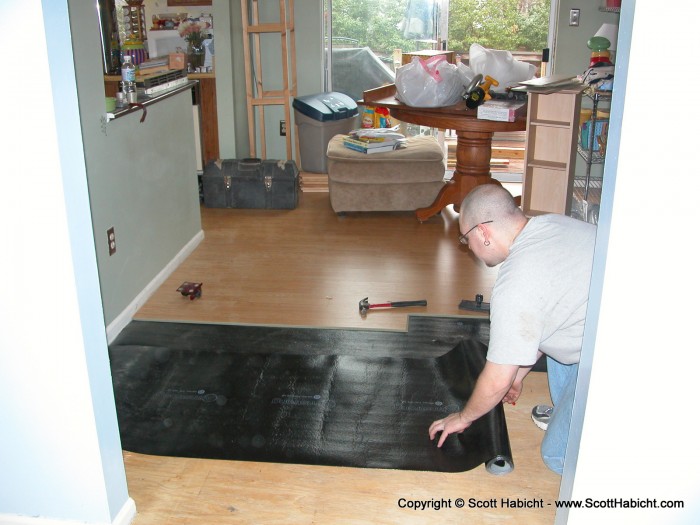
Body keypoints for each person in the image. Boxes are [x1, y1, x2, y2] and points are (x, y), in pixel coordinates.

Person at [428, 184, 596, 474]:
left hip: (627, 351)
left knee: (557, 455)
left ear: (483, 232)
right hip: (612, 320)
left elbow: (495, 380)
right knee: (558, 330)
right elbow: (550, 313)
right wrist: (518, 374)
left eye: (465, 239)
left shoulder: (516, 284)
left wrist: (464, 417)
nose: (468, 246)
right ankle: (573, 412)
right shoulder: (553, 223)